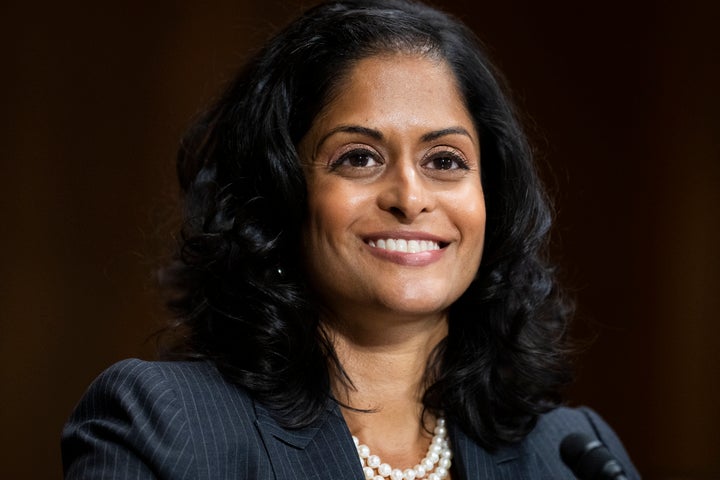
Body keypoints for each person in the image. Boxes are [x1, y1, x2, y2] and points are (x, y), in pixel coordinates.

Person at [62, 0, 640, 478]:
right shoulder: (165, 426)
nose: (410, 198)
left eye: (445, 160)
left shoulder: (572, 454)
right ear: (277, 195)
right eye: (358, 157)